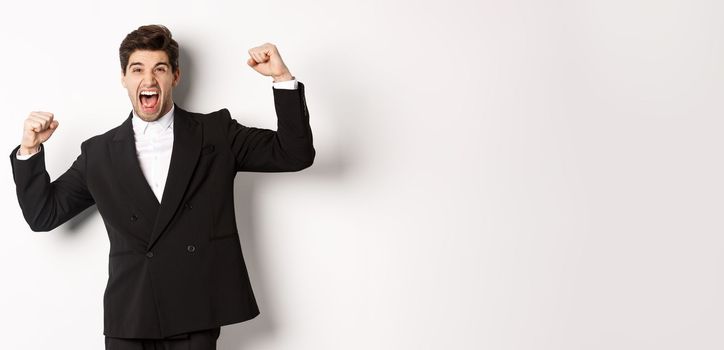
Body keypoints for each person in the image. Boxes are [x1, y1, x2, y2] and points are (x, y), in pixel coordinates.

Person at [9, 24, 314, 350]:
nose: (149, 79)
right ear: (124, 79)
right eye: (137, 69)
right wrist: (30, 150)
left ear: (175, 77)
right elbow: (43, 215)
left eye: (160, 69)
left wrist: (281, 78)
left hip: (195, 313)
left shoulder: (215, 133)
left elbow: (294, 153)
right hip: (129, 318)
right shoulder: (98, 153)